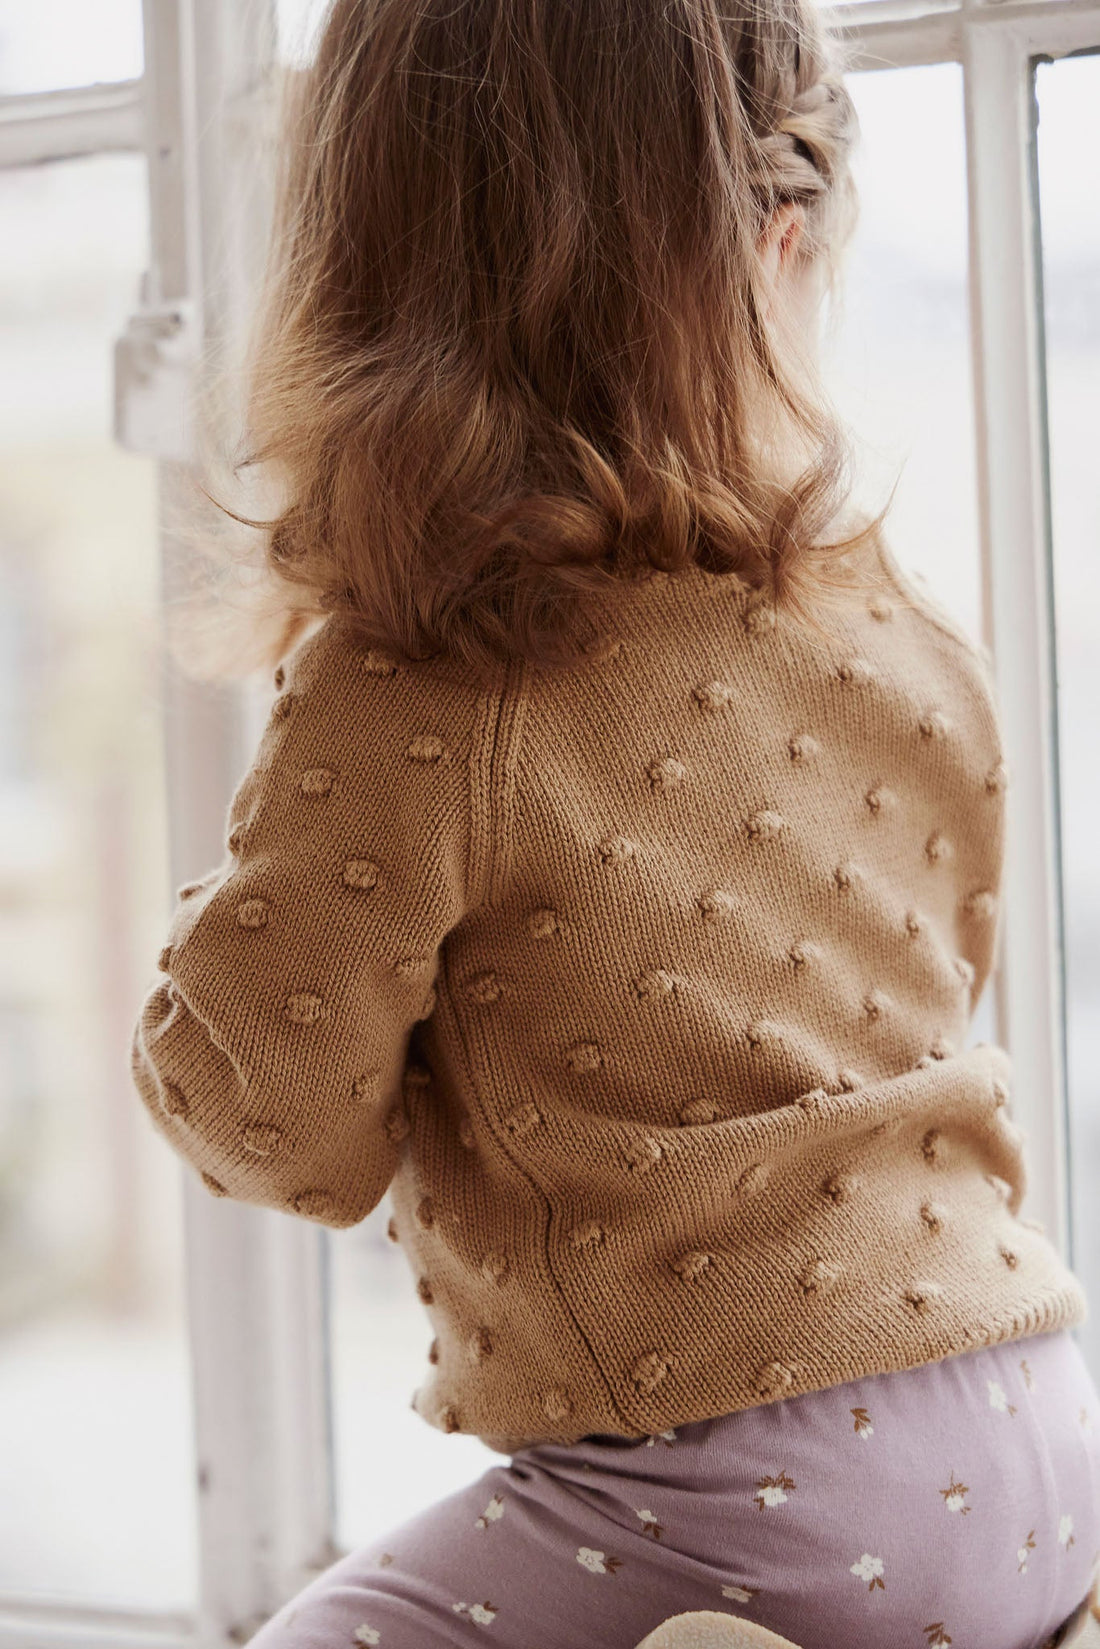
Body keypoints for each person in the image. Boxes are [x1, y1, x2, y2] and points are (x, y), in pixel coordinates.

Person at [129, 0, 1100, 1643]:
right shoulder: (908, 630)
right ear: (783, 244)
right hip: (1036, 1425)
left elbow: (269, 1113)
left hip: (750, 1518)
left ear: (359, 262)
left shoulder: (425, 673)